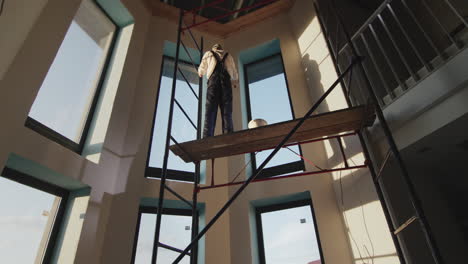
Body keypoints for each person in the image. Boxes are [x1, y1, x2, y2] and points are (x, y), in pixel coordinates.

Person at [198, 44, 238, 138]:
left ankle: (207, 137)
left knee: (210, 110)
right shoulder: (228, 56)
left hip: (213, 84)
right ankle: (228, 135)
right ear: (221, 49)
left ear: (213, 49)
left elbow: (201, 70)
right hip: (226, 85)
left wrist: (200, 73)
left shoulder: (209, 54)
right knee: (227, 110)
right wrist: (235, 82)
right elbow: (235, 73)